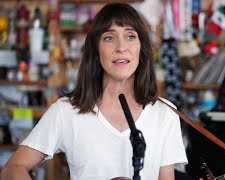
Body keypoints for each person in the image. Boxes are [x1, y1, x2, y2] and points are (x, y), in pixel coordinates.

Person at [1, 3, 188, 180]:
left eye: (130, 36)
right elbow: (12, 169)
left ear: (142, 48)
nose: (121, 47)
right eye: (109, 38)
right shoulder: (67, 111)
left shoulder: (165, 113)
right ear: (96, 50)